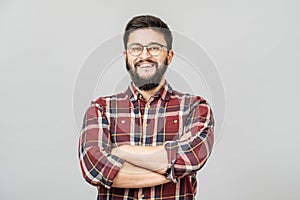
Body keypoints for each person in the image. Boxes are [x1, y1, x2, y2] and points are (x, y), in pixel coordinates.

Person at [78, 15, 214, 200]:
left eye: (154, 48)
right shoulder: (101, 109)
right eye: (136, 48)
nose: (144, 56)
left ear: (169, 55)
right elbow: (95, 169)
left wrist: (120, 151)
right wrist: (171, 171)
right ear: (126, 56)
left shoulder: (195, 108)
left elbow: (191, 159)